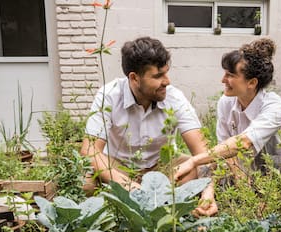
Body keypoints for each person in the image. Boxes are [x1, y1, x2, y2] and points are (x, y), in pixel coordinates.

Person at [81, 36, 217, 216]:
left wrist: (208, 194)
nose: (167, 81)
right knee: (87, 182)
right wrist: (130, 188)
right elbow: (90, 150)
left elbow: (203, 153)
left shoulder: (174, 98)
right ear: (134, 78)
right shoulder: (109, 95)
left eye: (166, 73)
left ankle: (167, 206)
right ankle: (142, 207)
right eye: (158, 76)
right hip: (120, 167)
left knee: (198, 170)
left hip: (163, 169)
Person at [174, 38, 281, 184]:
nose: (223, 80)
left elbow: (243, 142)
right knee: (194, 171)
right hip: (243, 176)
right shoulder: (226, 102)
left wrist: (194, 161)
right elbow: (227, 152)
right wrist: (245, 191)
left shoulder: (274, 108)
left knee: (198, 167)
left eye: (230, 75)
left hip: (278, 182)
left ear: (252, 82)